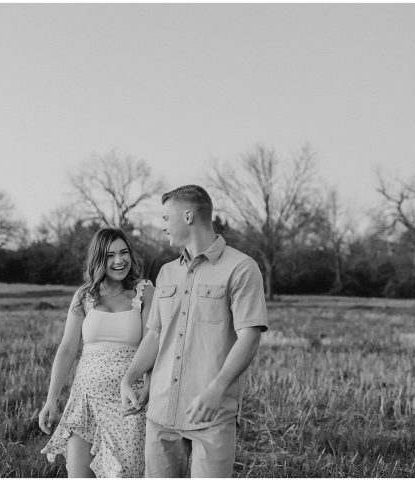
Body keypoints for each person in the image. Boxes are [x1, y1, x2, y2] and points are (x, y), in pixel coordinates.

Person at [121, 185, 268, 478]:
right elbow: (155, 334)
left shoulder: (241, 268)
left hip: (212, 413)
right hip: (160, 412)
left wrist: (216, 389)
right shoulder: (166, 272)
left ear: (188, 216)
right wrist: (129, 378)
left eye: (166, 218)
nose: (163, 226)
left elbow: (250, 336)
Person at [39, 227, 156, 477]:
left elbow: (152, 344)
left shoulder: (144, 291)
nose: (119, 260)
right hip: (86, 400)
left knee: (125, 473)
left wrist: (147, 388)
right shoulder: (84, 296)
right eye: (110, 255)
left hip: (128, 403)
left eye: (124, 252)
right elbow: (67, 349)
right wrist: (51, 400)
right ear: (98, 259)